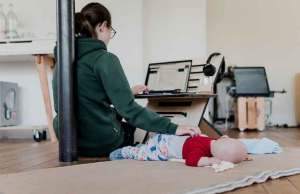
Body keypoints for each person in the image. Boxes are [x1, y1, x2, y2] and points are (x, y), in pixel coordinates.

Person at [52, 2, 200, 157]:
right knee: (144, 132)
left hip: (72, 142)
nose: (110, 36)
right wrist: (174, 127)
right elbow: (129, 110)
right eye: (111, 31)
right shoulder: (104, 59)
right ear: (102, 26)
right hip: (101, 142)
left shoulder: (63, 60)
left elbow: (84, 99)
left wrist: (126, 92)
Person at [109, 134, 250, 167]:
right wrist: (208, 161)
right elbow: (191, 161)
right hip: (163, 148)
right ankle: (126, 152)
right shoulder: (199, 150)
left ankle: (142, 146)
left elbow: (228, 146)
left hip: (166, 137)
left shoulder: (212, 139)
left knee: (147, 147)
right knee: (145, 155)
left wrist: (243, 156)